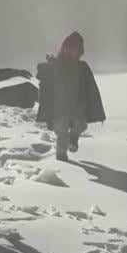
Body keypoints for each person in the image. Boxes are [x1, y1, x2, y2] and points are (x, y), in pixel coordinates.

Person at [36, 31, 105, 162]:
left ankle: (73, 140)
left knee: (80, 125)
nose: (74, 54)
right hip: (59, 108)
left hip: (77, 107)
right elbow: (44, 82)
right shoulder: (55, 65)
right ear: (65, 49)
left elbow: (90, 88)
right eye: (72, 50)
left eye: (77, 51)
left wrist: (94, 109)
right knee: (61, 131)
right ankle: (61, 158)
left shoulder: (82, 67)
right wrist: (45, 70)